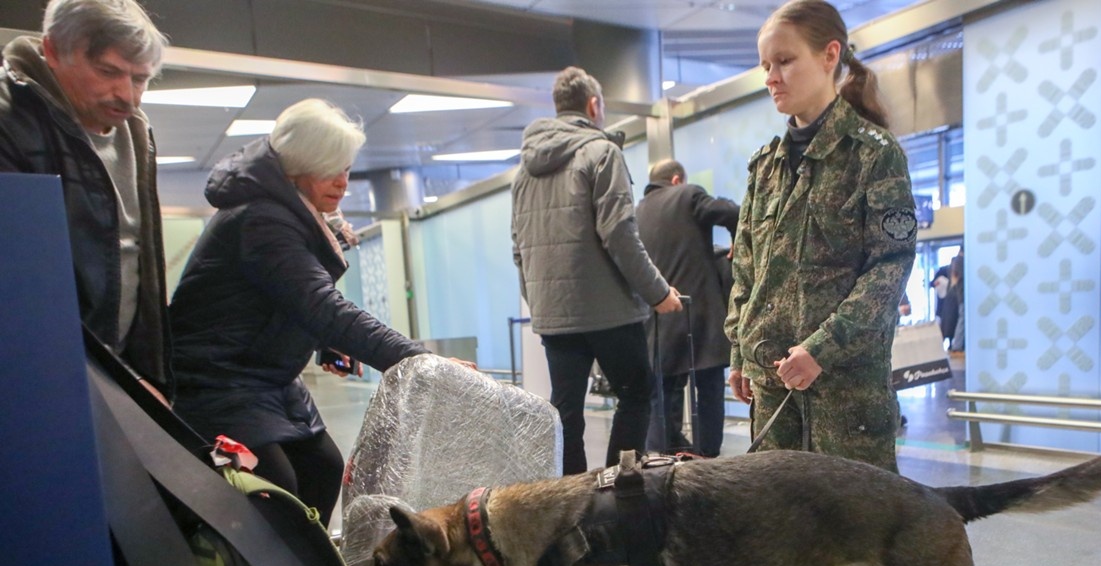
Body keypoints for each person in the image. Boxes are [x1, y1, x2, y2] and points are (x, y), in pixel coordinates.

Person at [726, 0, 917, 566]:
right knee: (791, 520)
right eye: (765, 65)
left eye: (786, 61)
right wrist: (740, 350)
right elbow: (744, 265)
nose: (771, 77)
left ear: (830, 56)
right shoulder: (765, 166)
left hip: (844, 385)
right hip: (775, 382)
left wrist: (822, 347)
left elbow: (889, 270)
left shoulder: (875, 156)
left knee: (860, 522)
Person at [169, 99, 468, 526]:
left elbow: (285, 297)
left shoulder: (290, 213)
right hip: (217, 379)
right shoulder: (262, 220)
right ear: (295, 168)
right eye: (330, 169)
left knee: (323, 469)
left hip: (264, 374)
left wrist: (323, 344)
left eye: (346, 168)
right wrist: (418, 362)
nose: (342, 182)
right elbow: (320, 304)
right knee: (275, 488)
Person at [511, 66, 682, 475]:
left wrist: (541, 304)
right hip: (608, 311)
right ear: (594, 105)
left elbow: (518, 250)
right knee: (636, 391)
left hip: (554, 316)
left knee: (566, 409)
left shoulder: (524, 173)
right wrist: (658, 293)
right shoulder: (602, 152)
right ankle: (619, 493)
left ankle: (572, 503)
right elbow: (619, 234)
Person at [0, 0, 172, 401]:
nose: (128, 95)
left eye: (141, 78)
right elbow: (24, 287)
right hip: (39, 378)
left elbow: (136, 268)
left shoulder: (136, 133)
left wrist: (144, 376)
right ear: (53, 51)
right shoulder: (9, 120)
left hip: (113, 373)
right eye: (109, 72)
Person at [637, 159, 739, 458]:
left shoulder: (637, 211)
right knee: (708, 389)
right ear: (677, 179)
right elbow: (733, 212)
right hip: (700, 314)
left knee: (664, 391)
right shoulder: (688, 194)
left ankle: (664, 456)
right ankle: (706, 456)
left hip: (658, 316)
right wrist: (736, 242)